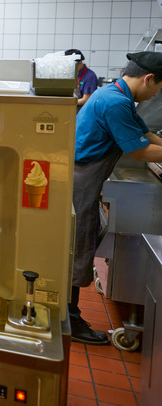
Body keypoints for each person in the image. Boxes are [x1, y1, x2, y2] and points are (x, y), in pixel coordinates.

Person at [71, 51, 162, 345]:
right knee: (77, 250)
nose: (157, 94)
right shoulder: (115, 101)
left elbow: (145, 135)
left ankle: (68, 316)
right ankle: (70, 321)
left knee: (78, 248)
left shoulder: (114, 92)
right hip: (80, 182)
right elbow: (140, 152)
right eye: (159, 87)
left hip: (85, 178)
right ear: (149, 79)